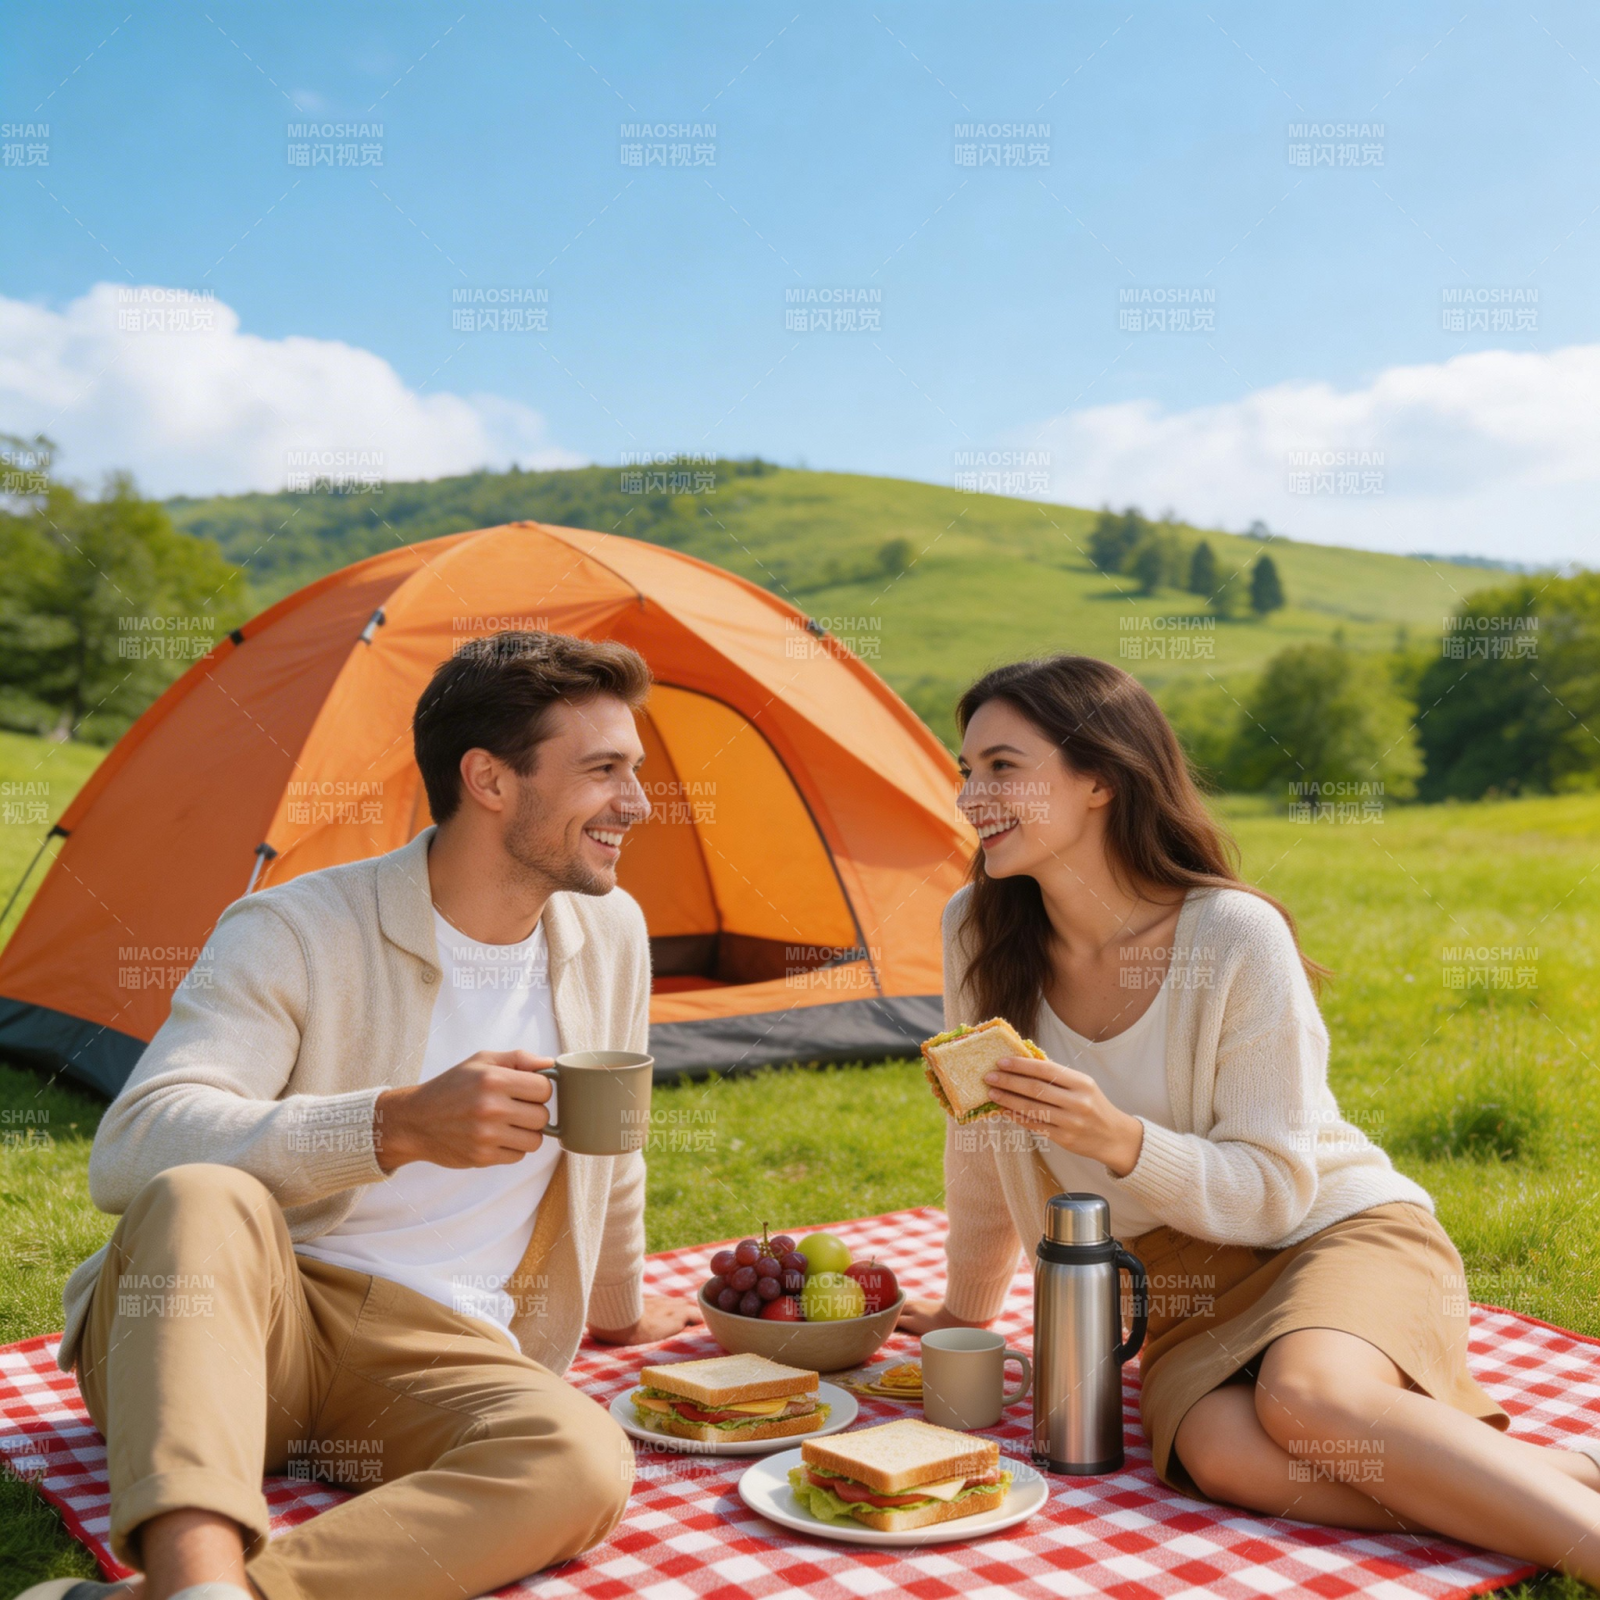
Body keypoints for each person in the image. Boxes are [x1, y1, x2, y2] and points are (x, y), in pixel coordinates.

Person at [27, 631, 699, 1600]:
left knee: (580, 1461)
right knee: (200, 1193)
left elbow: (613, 1141)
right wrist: (392, 1126)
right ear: (489, 780)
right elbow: (135, 1144)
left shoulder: (611, 929)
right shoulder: (295, 928)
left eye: (632, 771)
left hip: (435, 1358)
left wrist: (619, 1307)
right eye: (604, 770)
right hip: (240, 1324)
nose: (637, 802)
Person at [900, 653, 1600, 1578]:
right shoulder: (976, 929)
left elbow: (1277, 1190)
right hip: (1175, 1287)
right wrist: (965, 1311)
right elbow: (982, 1134)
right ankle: (1552, 1476)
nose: (969, 796)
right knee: (1225, 1456)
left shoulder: (1231, 935)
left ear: (1101, 779)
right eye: (965, 770)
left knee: (1309, 1402)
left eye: (1002, 767)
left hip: (1328, 1231)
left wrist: (1119, 1140)